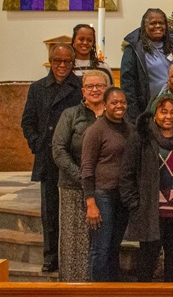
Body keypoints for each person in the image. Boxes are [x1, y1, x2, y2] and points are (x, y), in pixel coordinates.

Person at [120, 93, 173, 282]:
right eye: (163, 112)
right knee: (147, 266)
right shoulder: (141, 137)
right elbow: (126, 175)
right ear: (154, 114)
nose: (168, 116)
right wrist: (135, 205)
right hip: (151, 213)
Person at [21, 42, 82, 273]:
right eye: (58, 61)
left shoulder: (79, 88)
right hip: (47, 156)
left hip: (72, 157)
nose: (62, 65)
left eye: (67, 61)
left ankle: (72, 254)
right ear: (51, 61)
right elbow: (27, 121)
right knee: (49, 210)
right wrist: (36, 143)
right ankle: (50, 256)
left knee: (72, 209)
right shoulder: (38, 88)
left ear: (73, 62)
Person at [51, 70, 109, 281]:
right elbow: (58, 150)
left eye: (99, 86)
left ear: (107, 88)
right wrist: (84, 179)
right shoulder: (70, 114)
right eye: (90, 86)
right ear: (83, 91)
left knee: (101, 245)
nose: (95, 90)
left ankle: (99, 288)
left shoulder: (114, 113)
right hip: (73, 187)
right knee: (75, 243)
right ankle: (73, 287)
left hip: (106, 189)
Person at [79, 88, 133, 281]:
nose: (119, 105)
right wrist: (90, 203)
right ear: (104, 105)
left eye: (122, 102)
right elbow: (86, 168)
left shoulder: (129, 128)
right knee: (100, 248)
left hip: (122, 195)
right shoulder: (96, 130)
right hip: (102, 195)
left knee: (114, 247)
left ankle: (112, 288)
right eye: (114, 102)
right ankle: (98, 290)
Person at [121, 8, 173, 120]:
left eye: (161, 23)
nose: (157, 26)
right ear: (144, 26)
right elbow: (127, 84)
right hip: (146, 108)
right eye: (153, 23)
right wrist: (135, 115)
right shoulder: (133, 48)